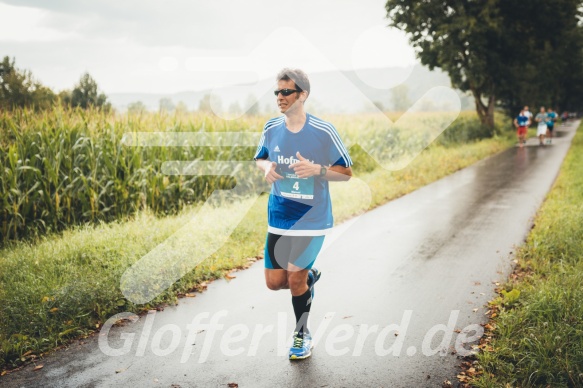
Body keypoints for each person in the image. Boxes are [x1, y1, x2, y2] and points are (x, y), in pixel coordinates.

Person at [254, 68, 353, 360]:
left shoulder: (323, 131)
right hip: (279, 215)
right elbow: (260, 157)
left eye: (286, 92)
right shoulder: (272, 127)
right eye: (277, 92)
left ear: (303, 95)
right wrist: (266, 168)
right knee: (275, 283)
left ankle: (301, 335)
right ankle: (309, 276)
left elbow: (346, 172)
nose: (280, 97)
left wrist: (318, 170)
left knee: (295, 282)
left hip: (312, 217)